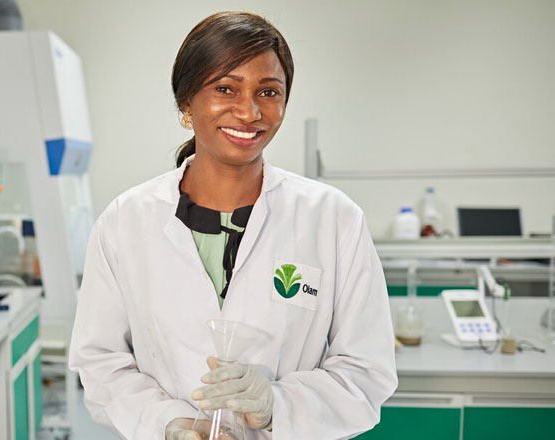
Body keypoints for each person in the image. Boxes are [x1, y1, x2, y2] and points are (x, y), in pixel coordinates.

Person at [69, 11, 397, 440]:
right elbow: (100, 363)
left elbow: (366, 374)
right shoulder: (125, 222)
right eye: (226, 88)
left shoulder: (333, 220)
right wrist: (168, 424)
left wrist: (275, 406)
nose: (249, 111)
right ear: (187, 102)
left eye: (268, 91)